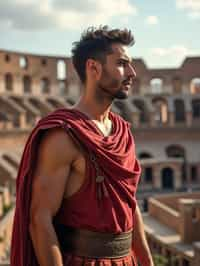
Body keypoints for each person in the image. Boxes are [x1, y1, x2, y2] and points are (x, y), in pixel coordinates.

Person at [11, 26, 154, 266]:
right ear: (94, 68)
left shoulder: (122, 132)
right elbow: (40, 219)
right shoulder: (64, 135)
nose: (131, 72)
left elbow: (130, 205)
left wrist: (147, 262)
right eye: (121, 63)